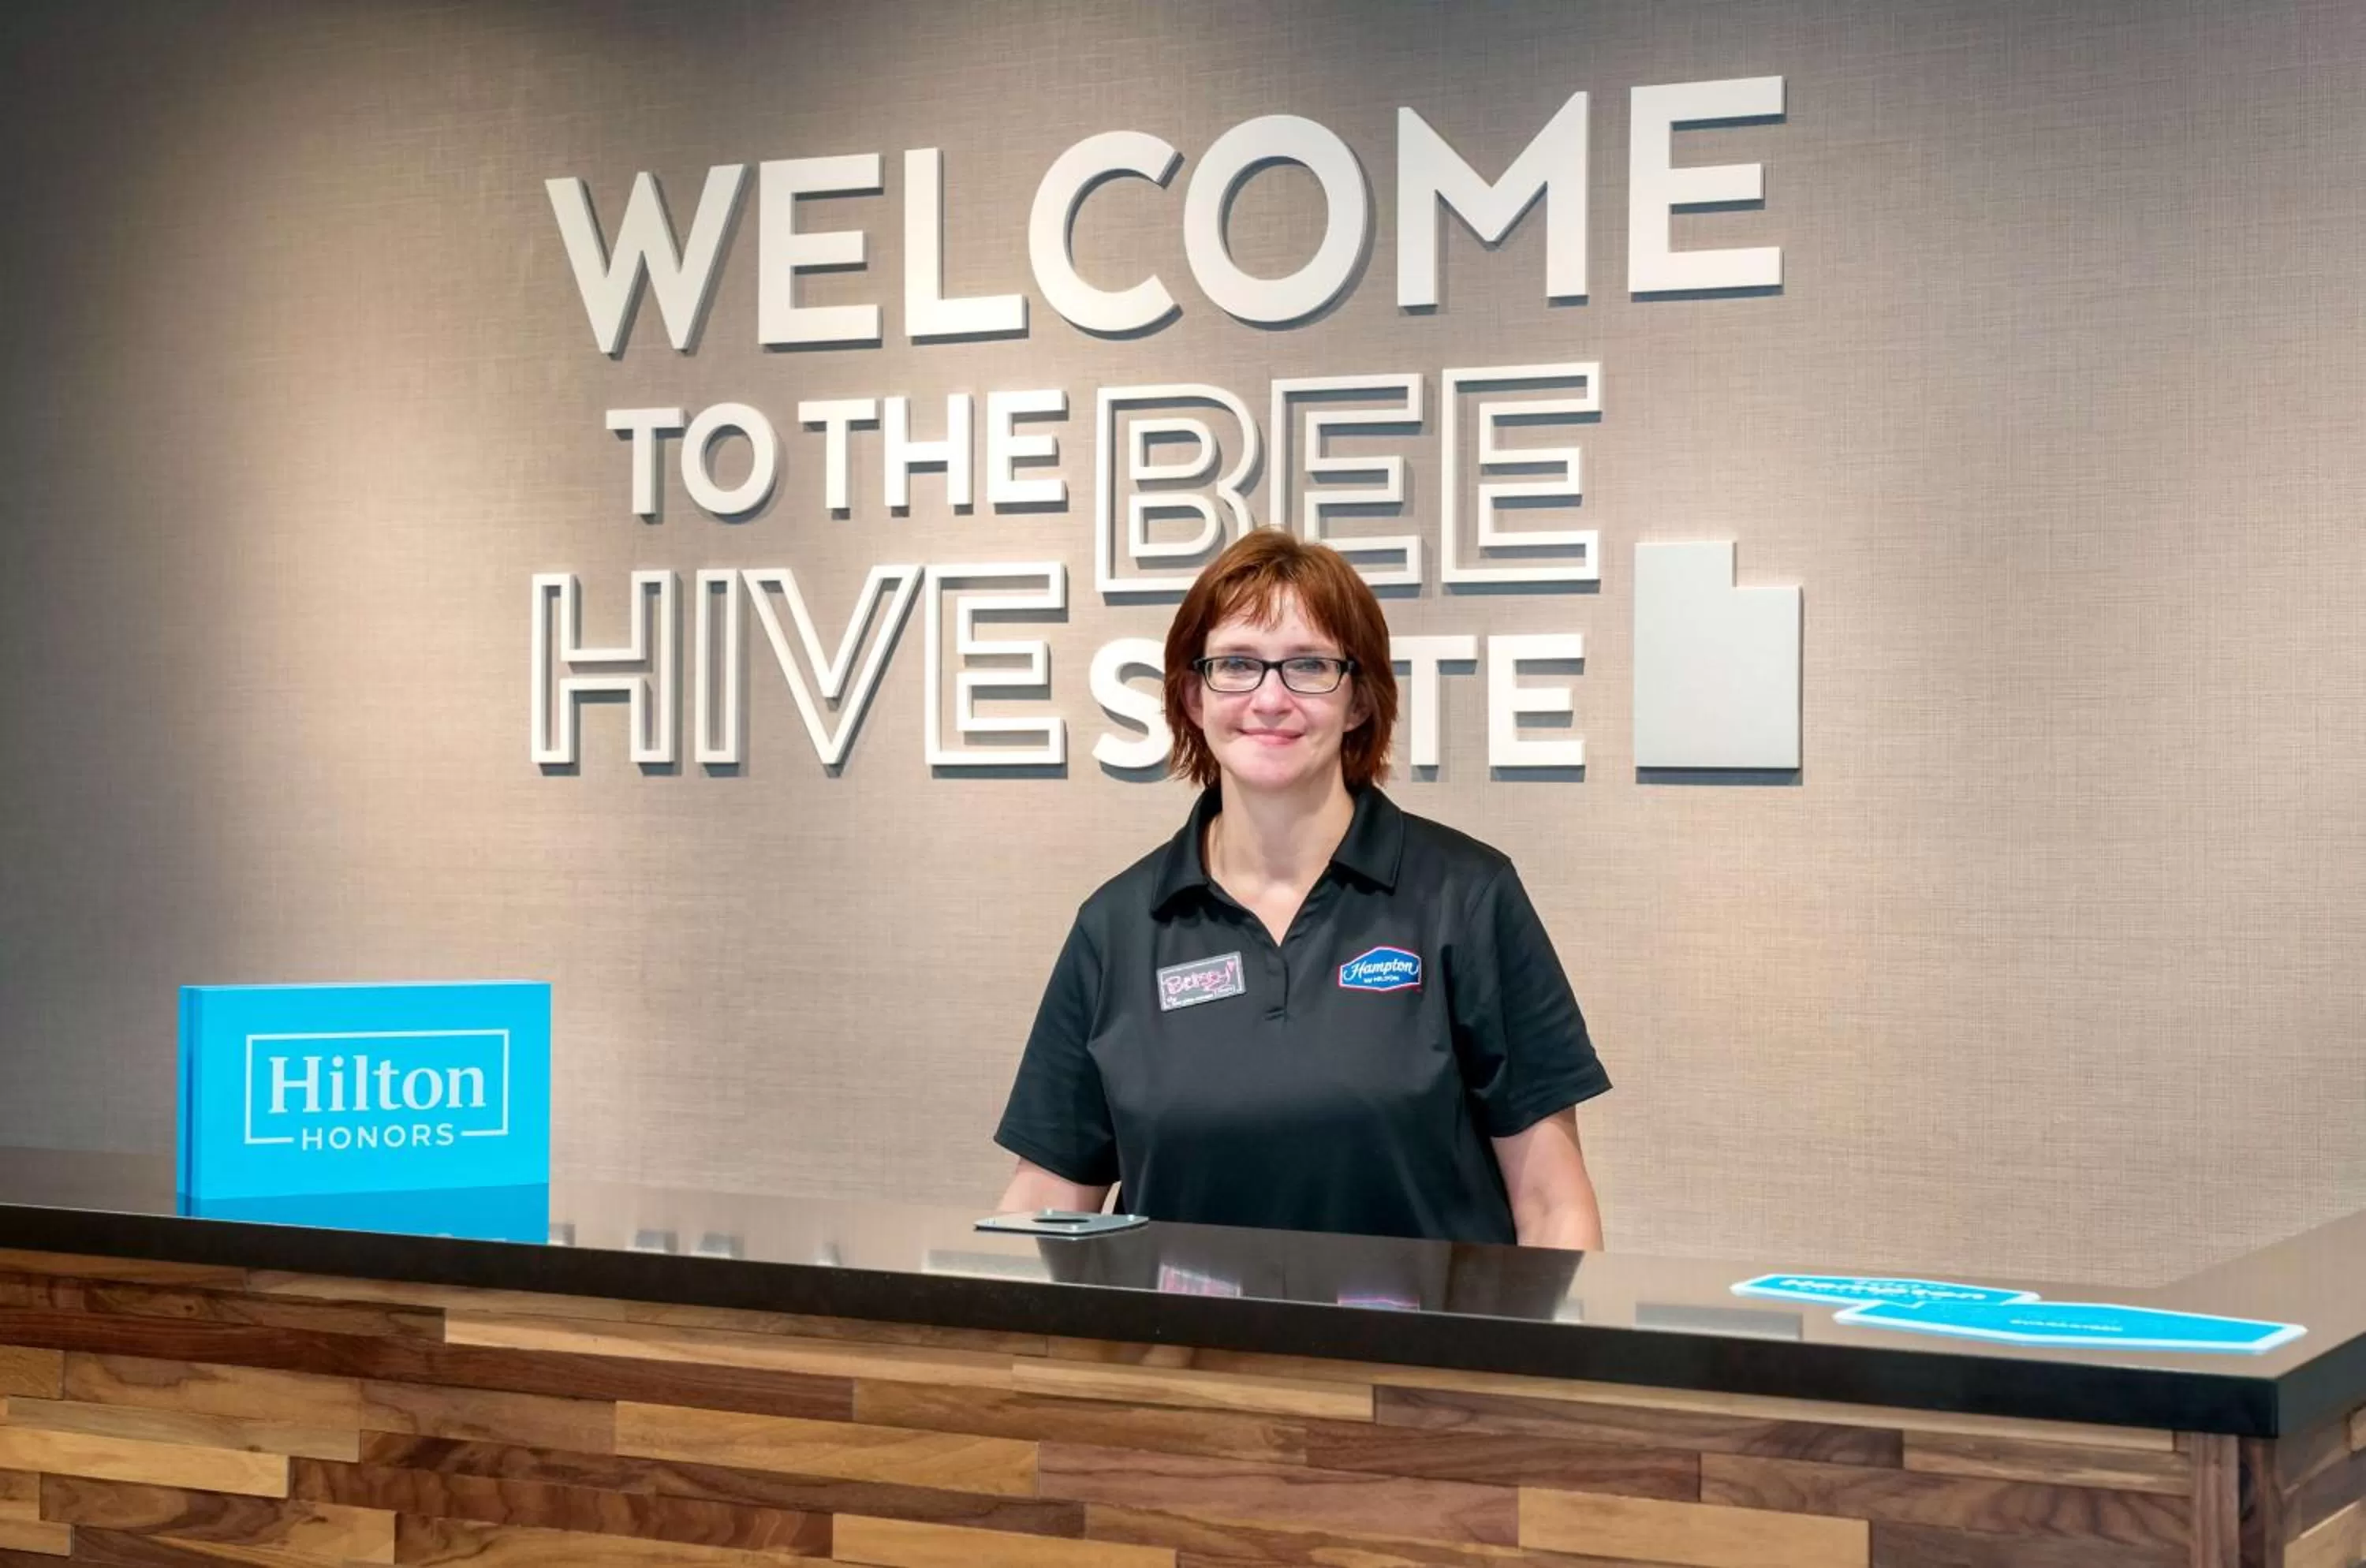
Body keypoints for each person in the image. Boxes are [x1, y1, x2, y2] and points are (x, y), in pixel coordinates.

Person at [991, 531, 1608, 1247]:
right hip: (1183, 1353)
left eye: (1308, 666)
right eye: (1237, 665)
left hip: (1419, 1356)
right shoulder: (1117, 926)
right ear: (1193, 697)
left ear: (1358, 701)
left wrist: (1547, 1357)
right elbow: (1045, 1198)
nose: (1270, 699)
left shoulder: (1466, 898)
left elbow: (1552, 1205)